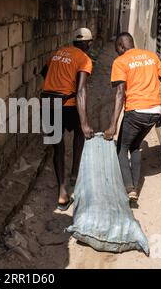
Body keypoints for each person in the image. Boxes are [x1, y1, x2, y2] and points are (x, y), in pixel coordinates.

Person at [104, 32, 161, 202]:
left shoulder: (121, 61)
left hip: (136, 112)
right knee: (135, 146)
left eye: (117, 49)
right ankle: (133, 189)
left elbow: (120, 93)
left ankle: (129, 188)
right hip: (154, 112)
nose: (117, 52)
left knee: (122, 148)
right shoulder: (152, 56)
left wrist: (113, 124)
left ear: (121, 46)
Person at [41, 28, 94, 211]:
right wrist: (85, 122)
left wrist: (56, 84)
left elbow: (43, 72)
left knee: (58, 147)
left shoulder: (57, 53)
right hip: (67, 105)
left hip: (47, 103)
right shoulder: (84, 59)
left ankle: (62, 194)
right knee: (79, 131)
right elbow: (81, 90)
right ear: (88, 44)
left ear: (73, 42)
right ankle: (74, 173)